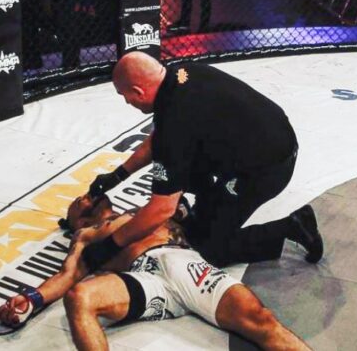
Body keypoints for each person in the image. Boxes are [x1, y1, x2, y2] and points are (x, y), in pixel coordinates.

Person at [81, 52, 323, 271]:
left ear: (138, 91)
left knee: (209, 250)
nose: (127, 102)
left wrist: (110, 245)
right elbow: (160, 138)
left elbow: (162, 208)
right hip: (268, 140)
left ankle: (292, 226)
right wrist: (119, 174)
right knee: (195, 209)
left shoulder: (175, 122)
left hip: (267, 168)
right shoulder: (182, 73)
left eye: (124, 95)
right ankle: (209, 207)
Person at [0, 194, 311, 351]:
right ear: (77, 221)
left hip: (180, 261)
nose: (87, 197)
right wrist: (30, 300)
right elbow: (67, 277)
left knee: (259, 319)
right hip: (142, 278)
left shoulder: (147, 209)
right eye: (79, 202)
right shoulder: (85, 237)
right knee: (79, 297)